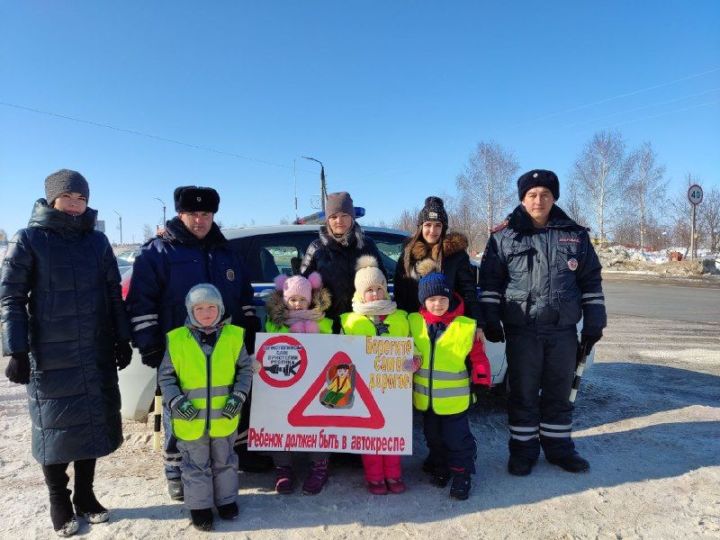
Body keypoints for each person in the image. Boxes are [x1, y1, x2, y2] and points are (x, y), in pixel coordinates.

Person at [0, 170, 132, 537]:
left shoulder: (98, 242)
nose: (75, 204)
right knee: (55, 425)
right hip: (49, 352)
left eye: (82, 198)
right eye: (69, 196)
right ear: (52, 198)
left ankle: (86, 496)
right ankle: (59, 498)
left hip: (93, 348)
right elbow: (11, 297)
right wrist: (17, 350)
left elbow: (112, 294)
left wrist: (122, 339)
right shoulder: (29, 239)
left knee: (89, 421)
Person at [126, 185, 269, 501]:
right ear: (180, 214)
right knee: (181, 413)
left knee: (227, 406)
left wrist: (248, 336)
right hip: (180, 351)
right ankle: (176, 472)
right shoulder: (158, 252)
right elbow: (141, 302)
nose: (200, 220)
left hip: (224, 349)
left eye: (206, 214)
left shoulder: (225, 251)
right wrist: (149, 344)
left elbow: (243, 298)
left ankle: (232, 461)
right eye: (193, 214)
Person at [479, 169, 606, 477]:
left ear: (554, 198)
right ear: (523, 199)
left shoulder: (575, 235)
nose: (539, 200)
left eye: (545, 195)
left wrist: (594, 322)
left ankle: (559, 449)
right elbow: (490, 283)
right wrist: (491, 319)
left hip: (562, 331)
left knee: (559, 392)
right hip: (523, 330)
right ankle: (523, 452)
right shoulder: (504, 237)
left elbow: (590, 281)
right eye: (532, 195)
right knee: (522, 393)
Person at [158, 284, 252, 531]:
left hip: (224, 415)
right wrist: (177, 401)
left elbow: (245, 369)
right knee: (195, 464)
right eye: (199, 308)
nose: (206, 312)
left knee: (225, 460)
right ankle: (199, 507)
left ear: (220, 308)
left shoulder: (234, 336)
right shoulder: (177, 339)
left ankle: (226, 501)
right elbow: (166, 377)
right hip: (191, 419)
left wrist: (239, 395)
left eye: (212, 307)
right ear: (190, 311)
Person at [408, 272, 490, 501]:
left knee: (457, 439)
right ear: (423, 301)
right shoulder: (414, 322)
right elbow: (406, 350)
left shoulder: (464, 326)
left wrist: (481, 379)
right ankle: (441, 466)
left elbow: (478, 356)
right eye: (432, 300)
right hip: (426, 399)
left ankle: (463, 474)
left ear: (450, 299)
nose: (438, 304)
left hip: (454, 400)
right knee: (433, 436)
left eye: (443, 299)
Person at [340, 255, 412, 495]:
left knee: (392, 431)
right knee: (370, 435)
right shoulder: (350, 321)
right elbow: (340, 354)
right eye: (369, 290)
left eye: (379, 289)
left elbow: (413, 345)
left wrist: (416, 357)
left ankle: (393, 474)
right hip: (364, 389)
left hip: (394, 388)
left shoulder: (400, 318)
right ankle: (375, 477)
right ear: (360, 293)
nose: (375, 294)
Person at [263, 271, 334, 495]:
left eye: (302, 299)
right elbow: (267, 347)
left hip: (316, 382)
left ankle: (319, 465)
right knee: (279, 419)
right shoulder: (275, 323)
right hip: (284, 381)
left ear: (311, 299)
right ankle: (283, 467)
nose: (297, 304)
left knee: (319, 419)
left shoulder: (324, 322)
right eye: (292, 299)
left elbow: (334, 348)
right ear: (285, 300)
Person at [394, 196, 485, 342]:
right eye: (428, 224)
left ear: (444, 228)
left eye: (438, 225)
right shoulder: (408, 254)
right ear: (420, 226)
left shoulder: (456, 255)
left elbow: (469, 291)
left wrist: (478, 323)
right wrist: (403, 323)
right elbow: (400, 293)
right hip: (415, 326)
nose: (432, 230)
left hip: (448, 328)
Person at [300, 191, 386, 333]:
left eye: (344, 215)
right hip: (325, 324)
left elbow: (381, 279)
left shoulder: (366, 245)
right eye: (334, 217)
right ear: (328, 220)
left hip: (361, 323)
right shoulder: (316, 248)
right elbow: (301, 285)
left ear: (352, 217)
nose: (339, 221)